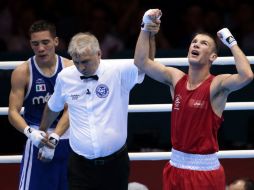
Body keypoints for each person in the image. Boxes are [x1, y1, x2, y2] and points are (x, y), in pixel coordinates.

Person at [134, 9, 254, 190]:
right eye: (194, 42)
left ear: (213, 56)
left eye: (203, 43)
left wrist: (231, 42)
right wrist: (145, 27)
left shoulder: (216, 85)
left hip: (205, 173)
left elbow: (246, 76)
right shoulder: (176, 79)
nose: (196, 45)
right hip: (175, 168)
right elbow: (141, 62)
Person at [38, 32, 145, 190]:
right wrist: (42, 133)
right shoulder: (65, 77)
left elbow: (144, 63)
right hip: (80, 166)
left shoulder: (118, 71)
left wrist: (147, 30)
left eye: (85, 62)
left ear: (99, 54)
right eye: (76, 62)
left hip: (115, 165)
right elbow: (53, 107)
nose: (81, 67)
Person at [8, 20, 72, 190]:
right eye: (36, 44)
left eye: (45, 42)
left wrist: (55, 136)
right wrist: (31, 133)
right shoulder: (23, 72)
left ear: (56, 42)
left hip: (69, 138)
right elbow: (13, 112)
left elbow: (72, 108)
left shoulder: (69, 69)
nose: (41, 48)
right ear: (30, 45)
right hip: (37, 138)